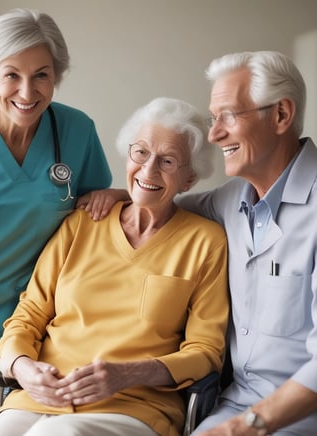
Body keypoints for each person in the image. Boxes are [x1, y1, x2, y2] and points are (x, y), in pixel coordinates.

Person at [0, 97, 229, 436]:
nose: (149, 170)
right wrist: (22, 367)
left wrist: (127, 374)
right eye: (140, 152)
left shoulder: (205, 242)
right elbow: (29, 314)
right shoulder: (82, 224)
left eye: (168, 161)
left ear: (189, 179)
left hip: (134, 404)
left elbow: (206, 352)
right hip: (42, 395)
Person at [0, 8, 117, 436]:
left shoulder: (76, 131)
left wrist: (115, 195)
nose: (27, 90)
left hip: (22, 334)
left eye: (41, 75)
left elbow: (95, 218)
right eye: (11, 75)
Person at [177, 51, 317, 435]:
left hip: (301, 416)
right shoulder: (231, 198)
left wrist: (249, 425)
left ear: (281, 115)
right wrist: (120, 195)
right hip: (235, 403)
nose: (213, 134)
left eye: (228, 116)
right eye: (213, 118)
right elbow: (163, 210)